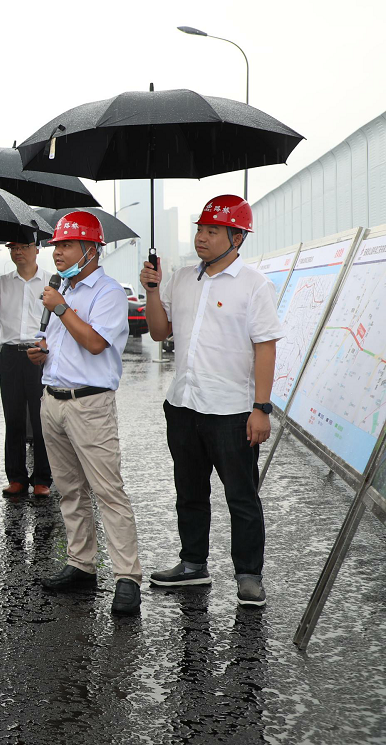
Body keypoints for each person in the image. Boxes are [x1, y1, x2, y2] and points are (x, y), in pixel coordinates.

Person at [142, 195, 281, 608]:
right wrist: (152, 291)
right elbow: (158, 332)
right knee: (189, 491)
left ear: (237, 238)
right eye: (200, 229)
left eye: (212, 231)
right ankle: (192, 564)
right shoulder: (182, 278)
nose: (201, 237)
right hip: (184, 406)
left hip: (232, 412)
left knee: (241, 496)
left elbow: (266, 347)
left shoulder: (254, 284)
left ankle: (249, 575)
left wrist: (261, 408)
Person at [26, 211, 142, 616]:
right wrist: (41, 352)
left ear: (92, 250)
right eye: (56, 245)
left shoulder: (108, 293)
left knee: (108, 491)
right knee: (69, 489)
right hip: (53, 399)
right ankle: (81, 564)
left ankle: (127, 577)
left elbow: (95, 343)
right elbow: (57, 343)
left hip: (90, 404)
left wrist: (60, 309)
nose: (57, 252)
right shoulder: (62, 290)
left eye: (68, 245)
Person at [0, 240, 52, 498]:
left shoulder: (51, 282)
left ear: (37, 249)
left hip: (39, 354)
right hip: (11, 354)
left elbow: (58, 322)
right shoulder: (2, 282)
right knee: (13, 417)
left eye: (23, 246)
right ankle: (16, 477)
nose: (18, 252)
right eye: (13, 248)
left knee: (41, 417)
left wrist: (47, 347)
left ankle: (43, 478)